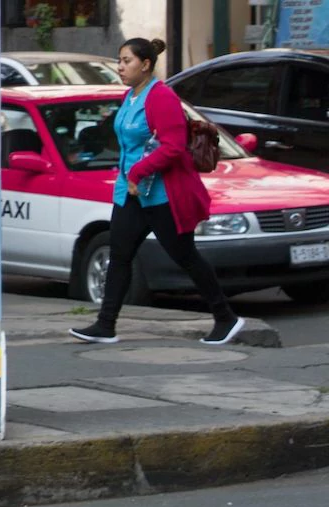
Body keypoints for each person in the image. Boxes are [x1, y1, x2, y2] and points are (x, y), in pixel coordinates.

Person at [69, 38, 243, 346]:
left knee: (185, 256)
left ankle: (226, 319)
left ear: (145, 64)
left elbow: (173, 147)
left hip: (162, 195)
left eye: (126, 61)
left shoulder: (161, 97)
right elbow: (127, 142)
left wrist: (138, 170)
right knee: (119, 254)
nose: (120, 67)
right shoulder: (130, 97)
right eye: (119, 60)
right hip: (131, 194)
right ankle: (105, 325)